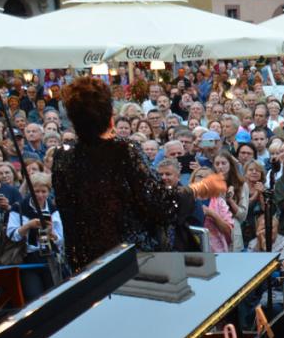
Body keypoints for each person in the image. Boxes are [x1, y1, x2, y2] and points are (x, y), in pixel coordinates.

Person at [51, 77, 225, 272]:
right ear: (110, 116)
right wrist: (199, 188)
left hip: (85, 267)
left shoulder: (62, 156)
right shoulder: (123, 150)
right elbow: (161, 203)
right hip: (129, 267)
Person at [6, 171, 64, 299]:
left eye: (43, 191)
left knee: (53, 294)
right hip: (28, 257)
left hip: (49, 258)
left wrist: (52, 234)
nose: (40, 195)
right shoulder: (19, 208)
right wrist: (28, 226)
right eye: (36, 191)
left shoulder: (53, 209)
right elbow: (12, 235)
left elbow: (60, 239)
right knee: (34, 296)